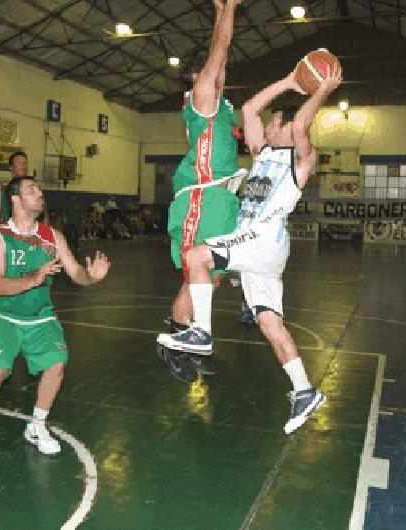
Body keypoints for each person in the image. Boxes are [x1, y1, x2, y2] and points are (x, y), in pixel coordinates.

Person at [158, 62, 343, 434]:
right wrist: (290, 81)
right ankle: (304, 391)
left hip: (263, 239)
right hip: (262, 255)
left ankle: (202, 332)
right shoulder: (262, 154)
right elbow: (249, 109)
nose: (267, 126)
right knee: (269, 322)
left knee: (198, 256)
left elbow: (302, 124)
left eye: (276, 123)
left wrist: (321, 91)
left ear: (289, 128)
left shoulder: (302, 157)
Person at [0, 175, 110, 469]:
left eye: (39, 190)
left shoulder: (53, 237)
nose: (40, 194)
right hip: (2, 312)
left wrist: (93, 277)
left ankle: (37, 425)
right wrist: (33, 278)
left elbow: (77, 273)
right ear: (15, 199)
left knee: (57, 362)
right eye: (32, 190)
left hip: (39, 314)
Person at [159, 0, 244, 380]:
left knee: (215, 275)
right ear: (199, 75)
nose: (219, 72)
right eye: (211, 70)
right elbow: (220, 50)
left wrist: (219, 9)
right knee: (195, 272)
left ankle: (188, 338)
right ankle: (176, 342)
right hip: (201, 196)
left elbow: (219, 57)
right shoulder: (202, 98)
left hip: (222, 199)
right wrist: (232, 8)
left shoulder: (218, 101)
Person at [0, 151, 28, 228]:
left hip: (28, 235)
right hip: (8, 234)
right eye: (19, 162)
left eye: (25, 162)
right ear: (11, 167)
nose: (23, 165)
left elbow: (44, 216)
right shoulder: (1, 189)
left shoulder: (34, 189)